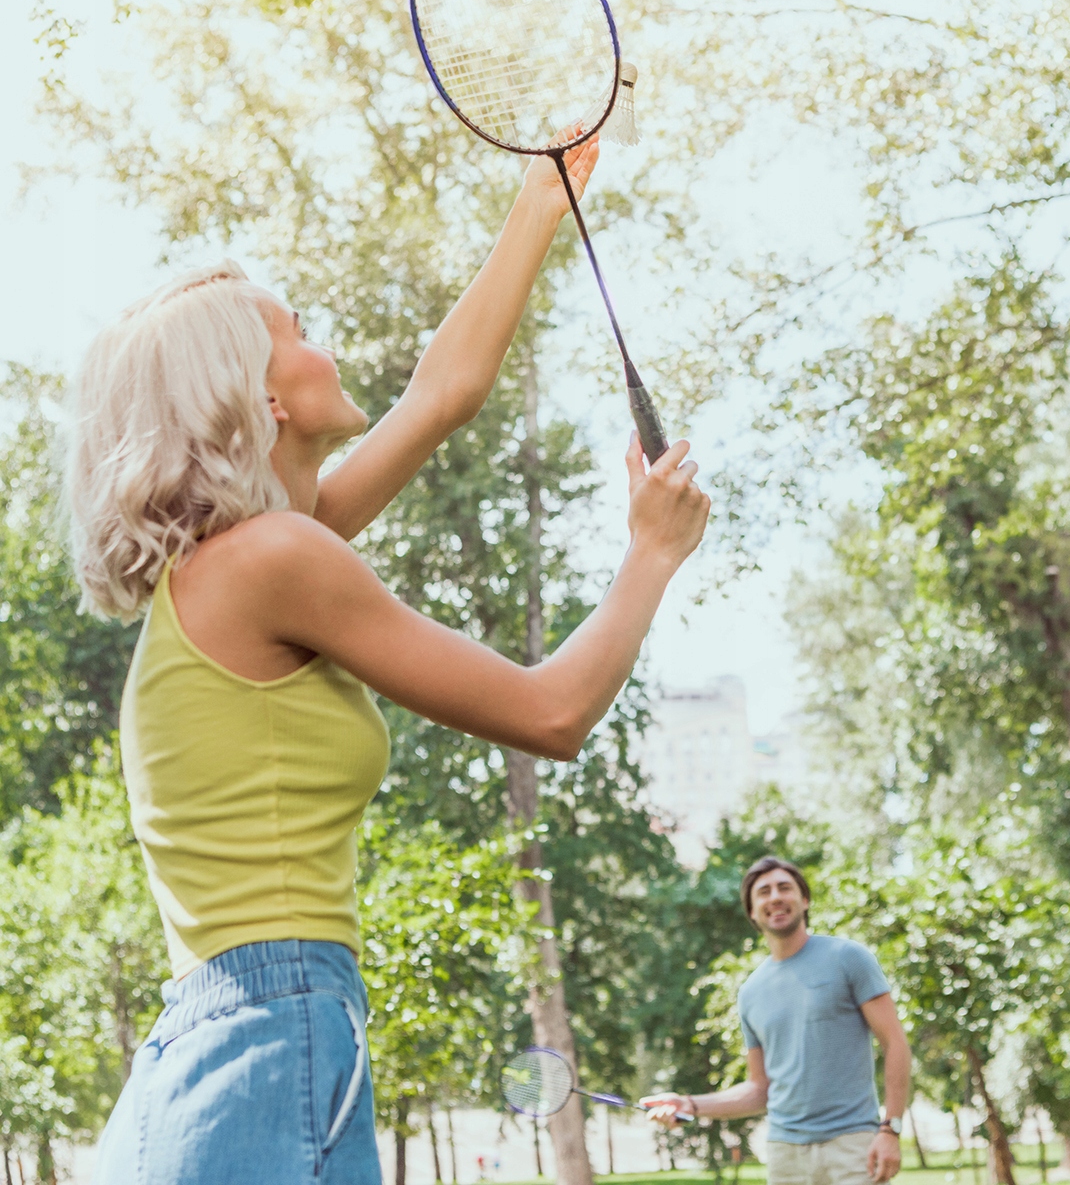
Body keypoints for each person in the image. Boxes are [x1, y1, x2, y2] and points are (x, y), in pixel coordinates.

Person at [69, 130, 710, 1185]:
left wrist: (538, 205)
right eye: (300, 331)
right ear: (259, 394)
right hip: (273, 1033)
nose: (325, 346)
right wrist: (649, 554)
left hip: (218, 1044)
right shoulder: (273, 558)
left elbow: (440, 396)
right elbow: (552, 713)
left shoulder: (248, 562)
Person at [641, 856, 911, 1185]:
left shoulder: (848, 958)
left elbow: (895, 1043)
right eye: (763, 892)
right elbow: (760, 1089)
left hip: (852, 1145)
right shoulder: (750, 992)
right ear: (753, 912)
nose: (775, 897)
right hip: (785, 1155)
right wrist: (688, 1104)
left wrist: (891, 1128)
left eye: (785, 887)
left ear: (804, 899)